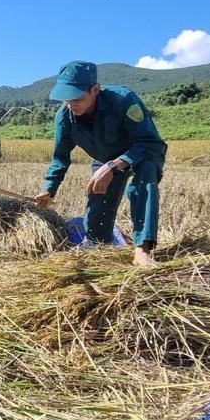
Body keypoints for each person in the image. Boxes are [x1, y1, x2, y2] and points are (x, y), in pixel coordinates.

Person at [34, 60, 166, 267]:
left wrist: (116, 165)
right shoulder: (65, 117)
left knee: (144, 180)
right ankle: (97, 248)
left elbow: (151, 142)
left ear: (95, 89)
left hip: (140, 154)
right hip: (104, 160)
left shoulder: (123, 101)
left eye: (77, 98)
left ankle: (143, 250)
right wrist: (49, 189)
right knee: (97, 216)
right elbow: (61, 156)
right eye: (65, 100)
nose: (71, 105)